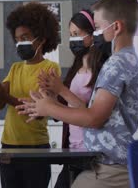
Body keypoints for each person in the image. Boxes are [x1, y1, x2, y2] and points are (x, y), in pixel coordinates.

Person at [18, 0, 138, 188]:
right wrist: (50, 103)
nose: (96, 34)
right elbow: (92, 112)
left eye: (99, 27)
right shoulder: (128, 59)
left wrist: (48, 108)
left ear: (116, 27)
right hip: (106, 164)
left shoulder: (116, 64)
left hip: (108, 169)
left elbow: (94, 118)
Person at [0, 2, 61, 188]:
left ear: (41, 39)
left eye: (25, 37)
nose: (20, 43)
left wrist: (5, 97)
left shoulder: (50, 68)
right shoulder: (15, 68)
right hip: (8, 145)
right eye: (17, 39)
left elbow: (37, 111)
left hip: (36, 148)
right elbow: (1, 104)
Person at [38, 10, 108, 188]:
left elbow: (91, 113)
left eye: (77, 34)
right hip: (72, 151)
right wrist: (49, 97)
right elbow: (63, 110)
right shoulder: (75, 69)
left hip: (91, 154)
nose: (73, 40)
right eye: (70, 35)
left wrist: (61, 89)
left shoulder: (103, 70)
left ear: (92, 35)